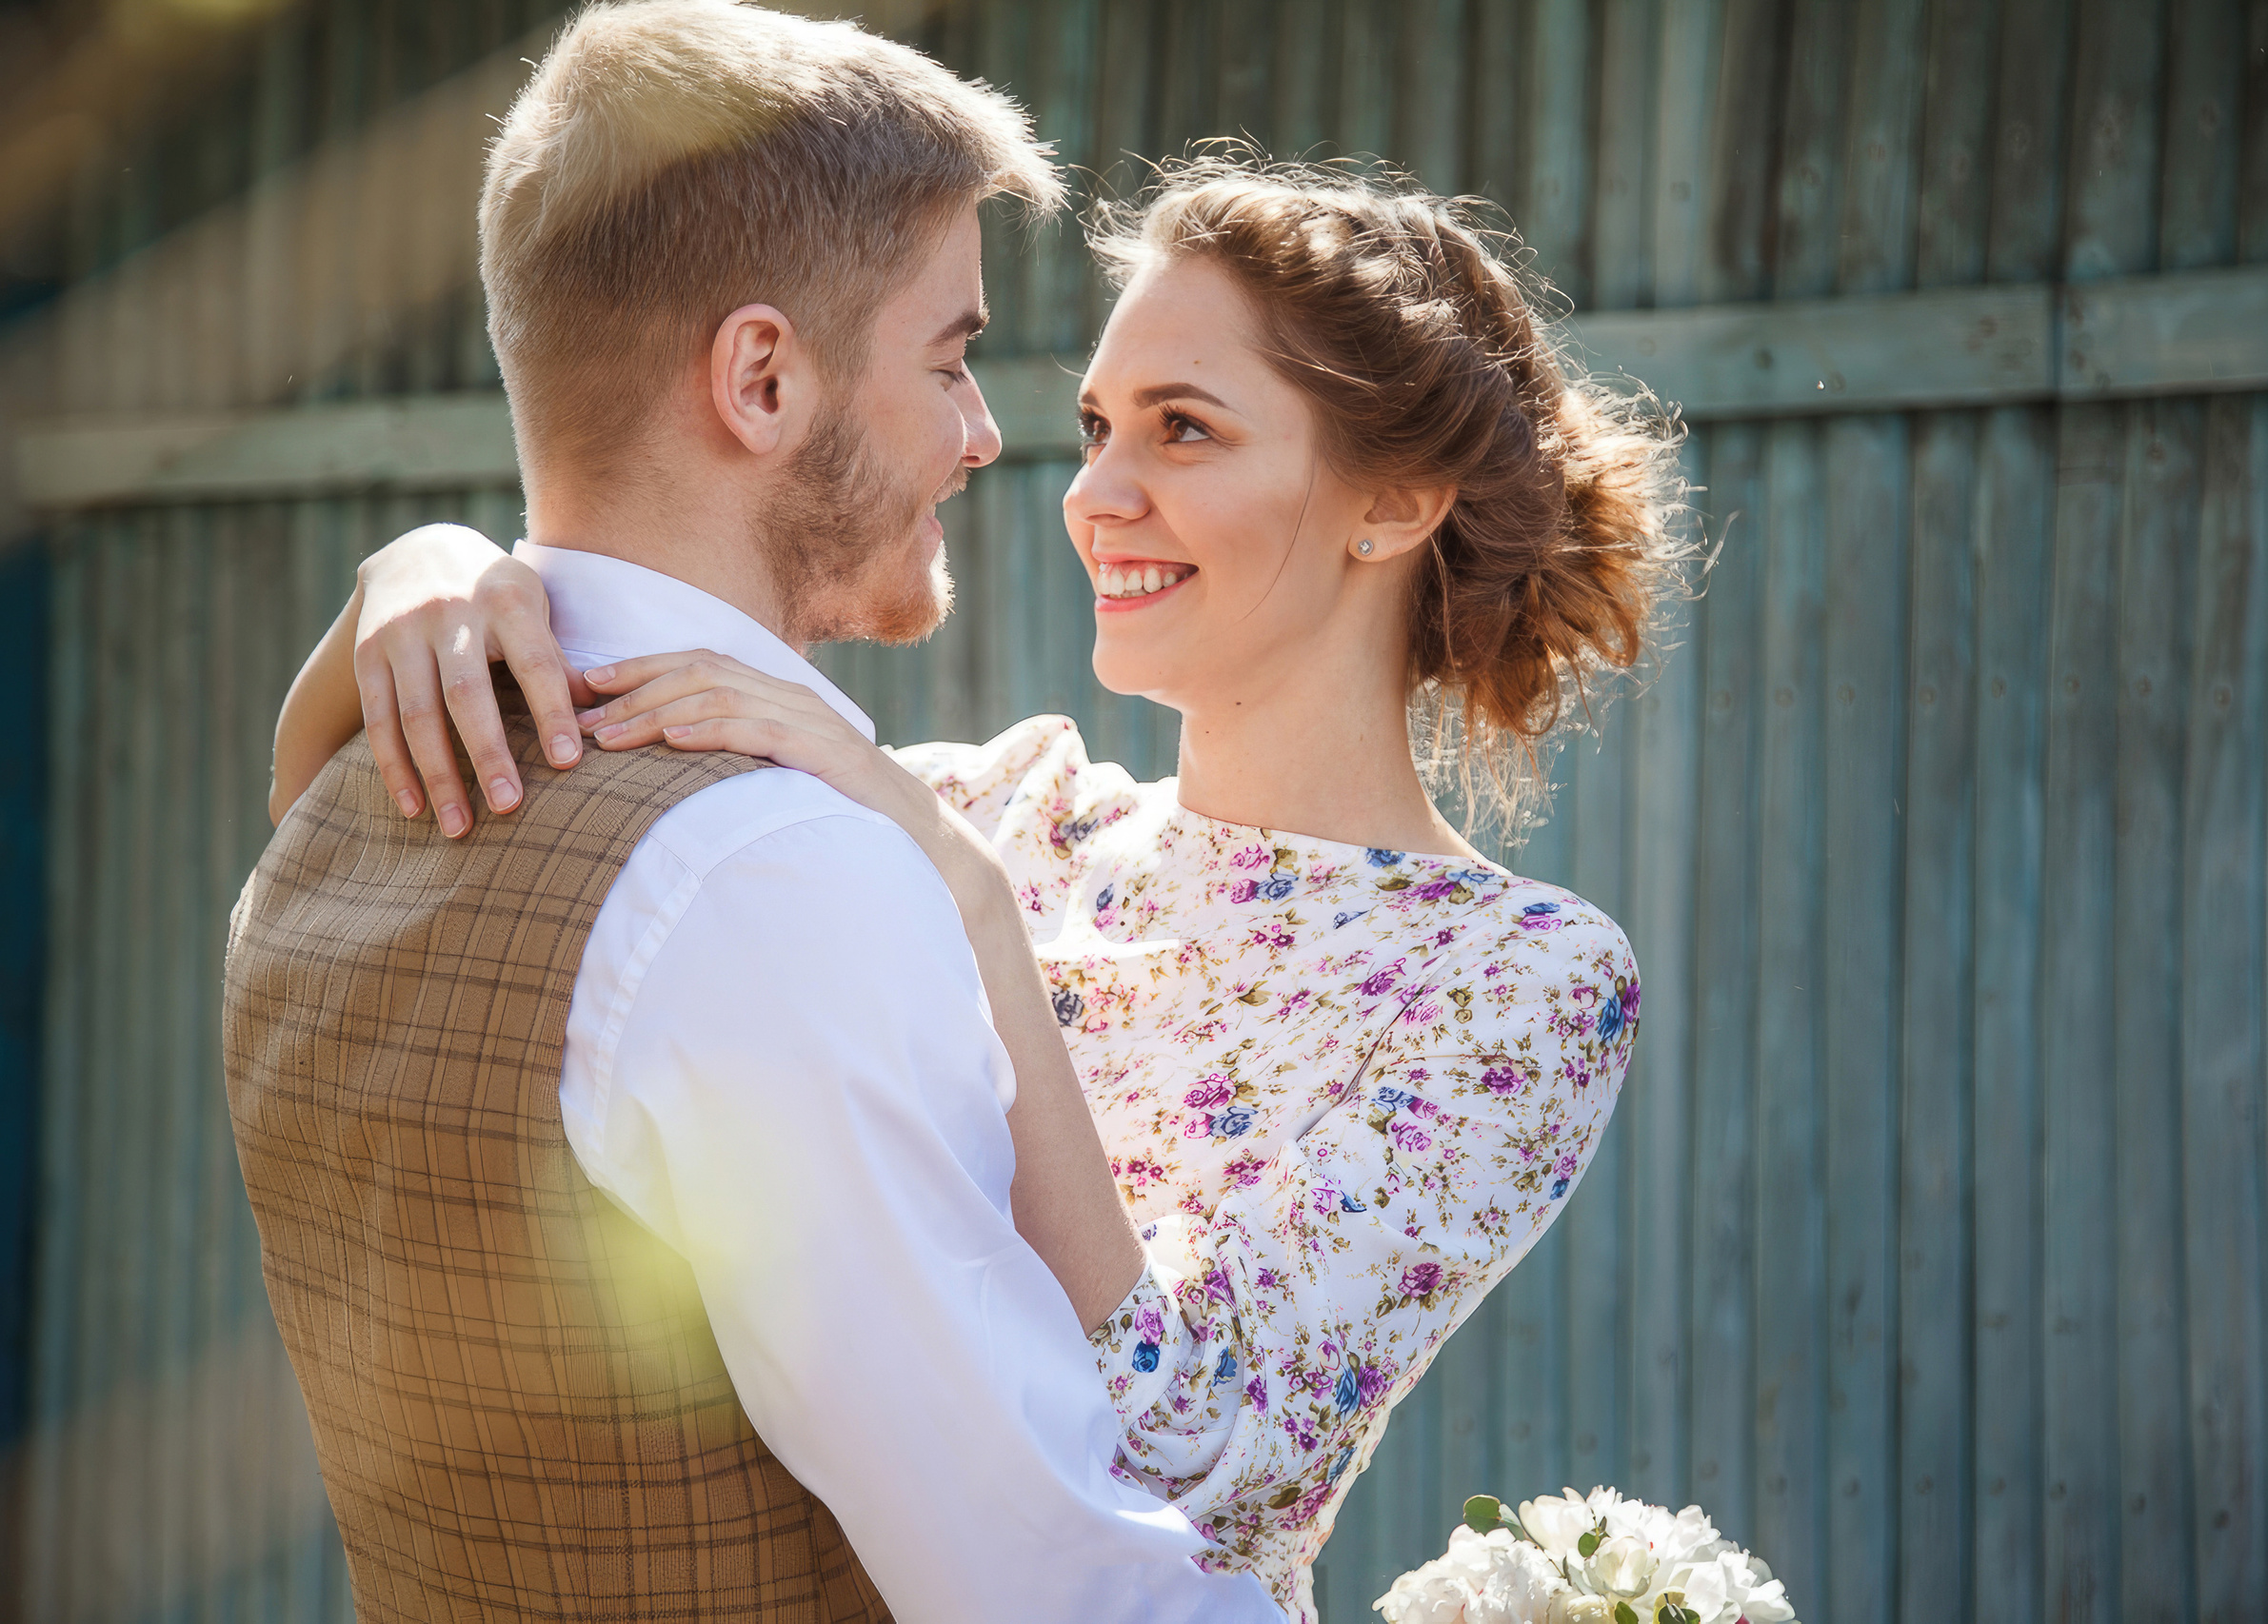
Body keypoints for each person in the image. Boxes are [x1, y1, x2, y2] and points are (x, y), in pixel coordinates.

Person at [274, 160, 1687, 1621]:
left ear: (1392, 503)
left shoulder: (1517, 982)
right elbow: (376, 807)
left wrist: (976, 914)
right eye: (1095, 426)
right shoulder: (995, 799)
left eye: (1182, 430)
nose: (1093, 493)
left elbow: (1199, 1456)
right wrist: (427, 573)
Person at [225, 5, 1285, 1620]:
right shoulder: (770, 879)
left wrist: (416, 560)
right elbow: (1056, 1586)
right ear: (763, 377)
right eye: (949, 356)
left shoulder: (331, 813)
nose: (985, 434)